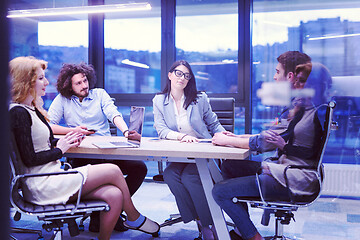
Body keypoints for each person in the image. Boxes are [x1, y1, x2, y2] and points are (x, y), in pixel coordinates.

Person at [8, 56, 160, 240]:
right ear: (26, 81)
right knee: (113, 171)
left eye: (84, 80)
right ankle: (134, 217)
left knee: (114, 194)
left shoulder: (31, 109)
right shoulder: (18, 112)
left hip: (51, 174)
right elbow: (29, 158)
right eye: (41, 78)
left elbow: (42, 140)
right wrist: (61, 148)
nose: (46, 82)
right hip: (42, 183)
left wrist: (62, 142)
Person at [212, 52, 324, 240]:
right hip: (290, 169)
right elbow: (269, 137)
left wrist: (227, 141)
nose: (274, 76)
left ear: (289, 77)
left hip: (291, 177)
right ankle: (242, 229)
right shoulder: (301, 105)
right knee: (230, 166)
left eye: (277, 71)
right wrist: (236, 136)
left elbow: (264, 142)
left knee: (219, 192)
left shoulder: (301, 109)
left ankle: (254, 237)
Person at [47, 63, 147, 232]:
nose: (84, 85)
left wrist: (125, 131)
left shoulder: (99, 94)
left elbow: (113, 113)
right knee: (94, 166)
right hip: (81, 155)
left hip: (106, 151)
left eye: (85, 80)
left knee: (140, 168)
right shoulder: (62, 99)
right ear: (69, 86)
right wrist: (74, 130)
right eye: (78, 83)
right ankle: (102, 215)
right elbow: (48, 125)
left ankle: (111, 212)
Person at [152, 60, 225, 240]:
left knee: (190, 178)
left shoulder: (199, 99)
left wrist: (227, 139)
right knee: (170, 175)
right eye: (178, 73)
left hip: (202, 150)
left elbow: (213, 123)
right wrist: (181, 137)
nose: (182, 78)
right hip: (179, 154)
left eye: (186, 75)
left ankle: (208, 225)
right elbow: (161, 130)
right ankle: (200, 219)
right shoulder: (159, 101)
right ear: (170, 75)